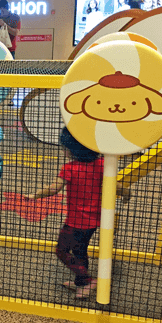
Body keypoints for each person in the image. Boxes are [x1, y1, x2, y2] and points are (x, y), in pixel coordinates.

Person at [26, 127, 129, 299]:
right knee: (80, 250)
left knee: (62, 251)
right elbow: (117, 187)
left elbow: (54, 188)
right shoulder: (103, 164)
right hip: (94, 221)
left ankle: (87, 279)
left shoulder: (70, 169)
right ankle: (81, 282)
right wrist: (127, 194)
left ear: (71, 150)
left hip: (75, 222)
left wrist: (34, 195)